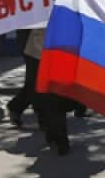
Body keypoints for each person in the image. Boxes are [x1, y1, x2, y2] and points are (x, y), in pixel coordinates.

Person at [21, 27, 71, 155]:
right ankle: (53, 134)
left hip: (53, 53)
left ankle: (59, 138)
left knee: (54, 98)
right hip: (39, 53)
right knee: (43, 97)